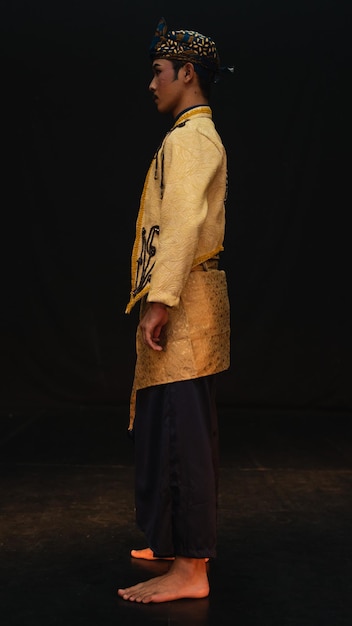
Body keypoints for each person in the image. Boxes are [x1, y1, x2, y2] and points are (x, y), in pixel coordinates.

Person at [118, 16, 231, 604]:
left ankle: (191, 569)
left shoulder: (189, 139)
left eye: (159, 72)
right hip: (186, 300)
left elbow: (184, 221)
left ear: (187, 74)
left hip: (185, 305)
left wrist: (160, 301)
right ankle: (169, 542)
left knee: (182, 433)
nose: (153, 83)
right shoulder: (189, 135)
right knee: (166, 426)